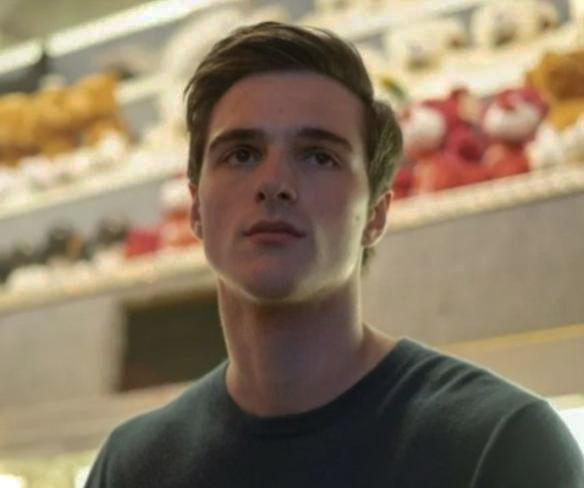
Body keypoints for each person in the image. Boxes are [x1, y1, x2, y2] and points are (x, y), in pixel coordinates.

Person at [85, 21, 584, 487]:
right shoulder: (133, 467)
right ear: (195, 207)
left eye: (318, 156)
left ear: (376, 214)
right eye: (241, 154)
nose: (274, 183)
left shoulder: (500, 445)